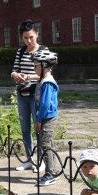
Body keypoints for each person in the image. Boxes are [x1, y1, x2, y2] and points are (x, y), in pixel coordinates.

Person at [10, 20, 48, 172]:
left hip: (36, 94)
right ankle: (29, 159)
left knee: (38, 127)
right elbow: (13, 70)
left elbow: (44, 75)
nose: (29, 41)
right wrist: (15, 75)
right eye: (25, 38)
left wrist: (28, 77)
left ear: (37, 34)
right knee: (25, 128)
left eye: (31, 37)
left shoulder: (43, 51)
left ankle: (40, 160)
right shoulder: (20, 51)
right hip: (22, 93)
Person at [32, 49, 61, 187]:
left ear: (45, 65)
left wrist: (38, 120)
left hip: (47, 117)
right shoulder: (43, 80)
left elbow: (44, 103)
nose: (34, 67)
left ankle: (50, 173)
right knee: (48, 143)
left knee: (45, 144)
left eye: (36, 64)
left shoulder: (48, 82)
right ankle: (53, 170)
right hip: (44, 116)